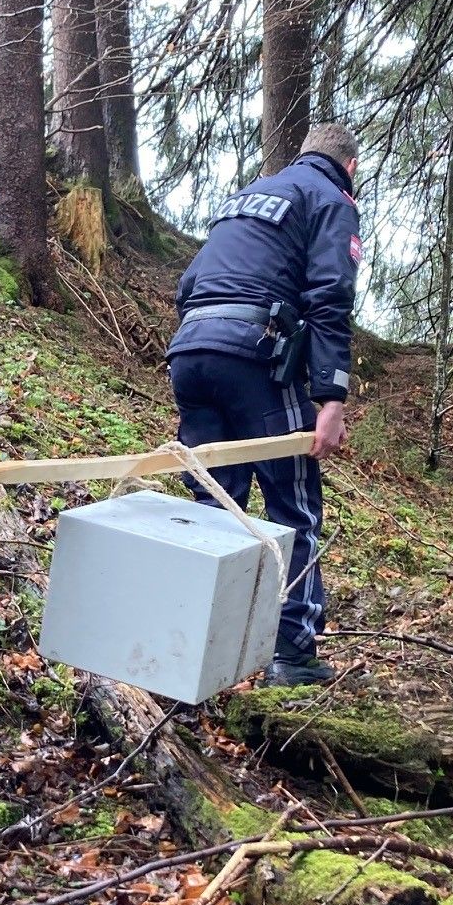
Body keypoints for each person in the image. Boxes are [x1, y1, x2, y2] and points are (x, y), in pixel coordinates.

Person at [166, 121, 362, 687]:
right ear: (349, 167)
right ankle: (291, 653)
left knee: (215, 504)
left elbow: (190, 282)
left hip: (191, 353)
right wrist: (331, 396)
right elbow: (330, 296)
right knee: (291, 504)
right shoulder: (331, 200)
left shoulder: (248, 197)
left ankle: (190, 651)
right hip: (256, 357)